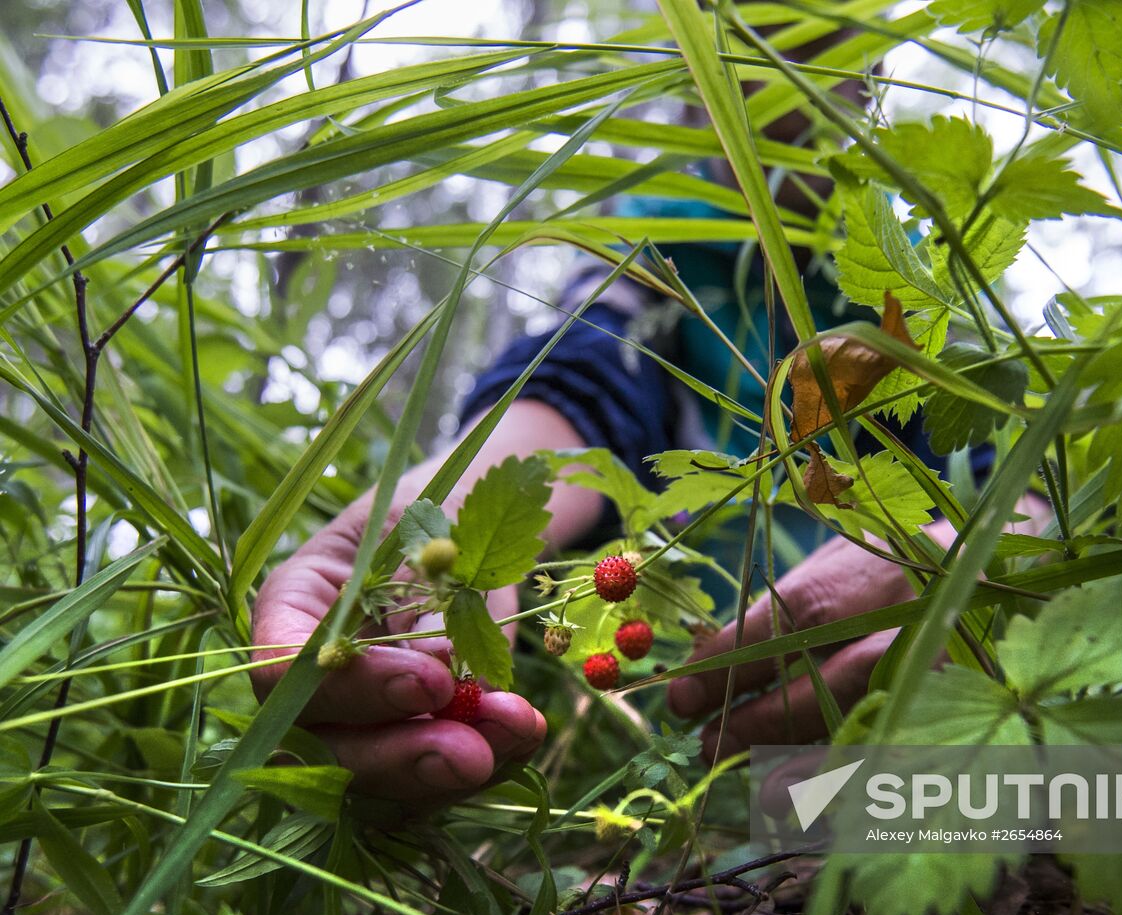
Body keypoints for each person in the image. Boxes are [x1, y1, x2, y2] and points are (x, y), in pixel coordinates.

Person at [250, 23, 1048, 804]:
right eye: (738, 60)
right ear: (688, 88)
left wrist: (999, 556)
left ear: (868, 84)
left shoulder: (924, 281)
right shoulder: (648, 252)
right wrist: (449, 509)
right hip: (662, 724)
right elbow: (582, 381)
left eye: (811, 55)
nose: (777, 94)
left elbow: (1013, 463)